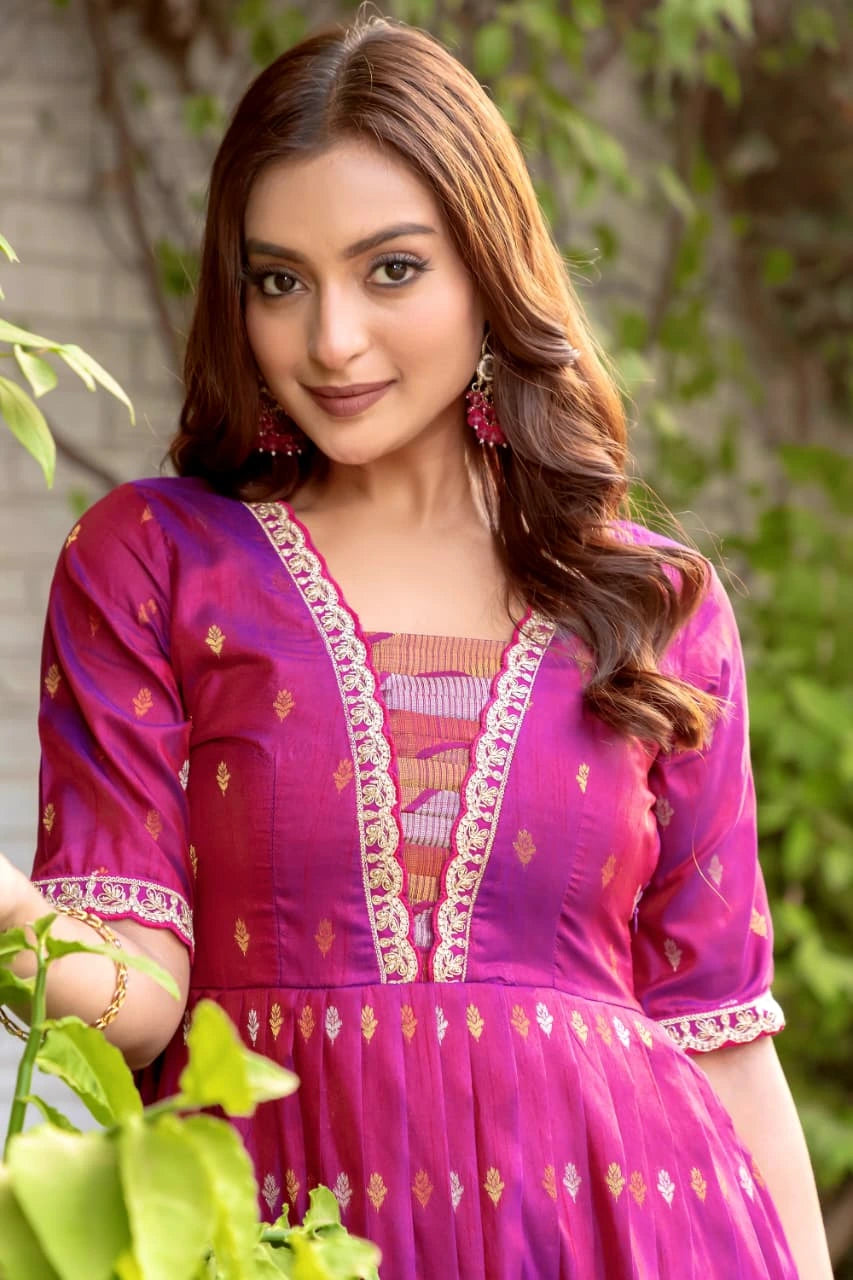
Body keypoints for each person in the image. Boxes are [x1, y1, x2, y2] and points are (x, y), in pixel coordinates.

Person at [0, 13, 833, 1278]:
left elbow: (720, 1037)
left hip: (634, 1233)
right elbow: (139, 1001)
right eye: (278, 279)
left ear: (489, 269)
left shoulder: (652, 601)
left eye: (391, 269)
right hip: (280, 1236)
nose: (330, 341)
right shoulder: (156, 561)